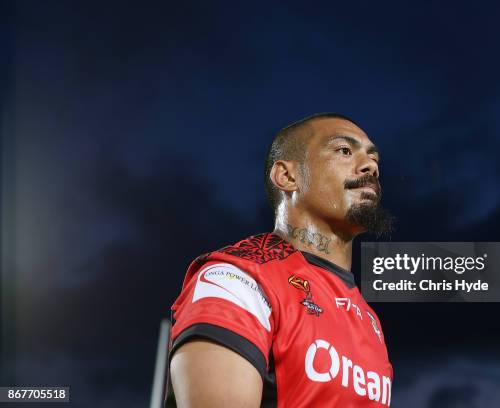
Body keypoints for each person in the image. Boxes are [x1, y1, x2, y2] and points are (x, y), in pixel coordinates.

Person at [166, 113, 395, 407]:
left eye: (373, 159)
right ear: (287, 177)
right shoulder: (236, 278)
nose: (370, 167)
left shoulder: (369, 320)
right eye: (345, 151)